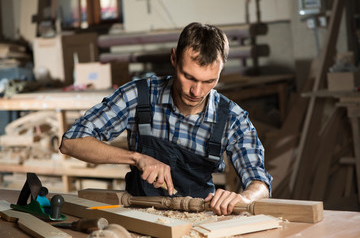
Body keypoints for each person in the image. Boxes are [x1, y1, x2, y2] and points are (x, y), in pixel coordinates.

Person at [60, 22, 272, 215]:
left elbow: (260, 182)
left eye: (209, 81)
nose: (197, 91)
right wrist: (137, 158)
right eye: (188, 77)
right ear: (174, 58)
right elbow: (71, 142)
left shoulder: (231, 118)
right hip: (139, 216)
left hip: (199, 220)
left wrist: (244, 197)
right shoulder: (138, 96)